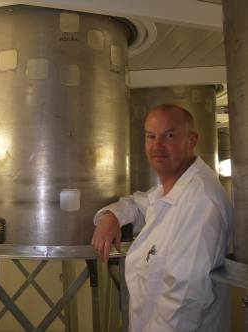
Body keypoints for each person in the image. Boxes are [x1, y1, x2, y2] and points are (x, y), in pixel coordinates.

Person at [91, 104, 231, 331]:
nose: (157, 146)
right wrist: (112, 217)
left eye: (169, 135)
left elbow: (184, 303)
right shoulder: (174, 188)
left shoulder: (200, 203)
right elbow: (139, 203)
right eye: (151, 136)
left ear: (191, 140)